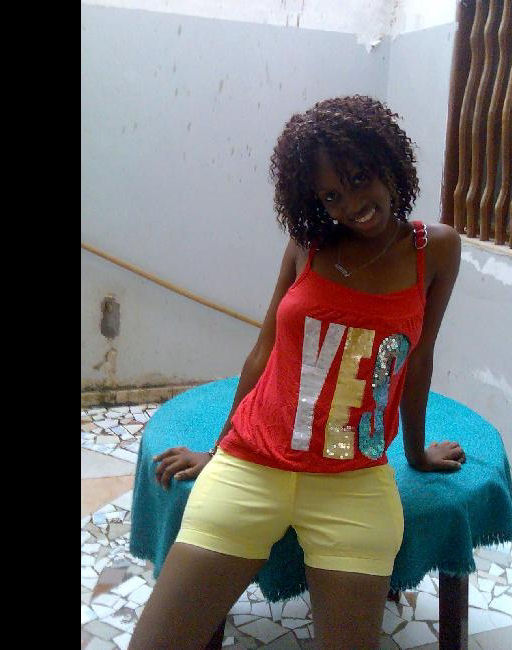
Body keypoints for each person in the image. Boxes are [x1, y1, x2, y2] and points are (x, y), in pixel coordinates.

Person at [129, 95, 466, 650]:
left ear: (388, 164)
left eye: (358, 180)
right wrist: (218, 450)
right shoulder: (307, 245)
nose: (351, 205)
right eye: (331, 196)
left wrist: (416, 454)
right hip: (252, 464)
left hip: (354, 480)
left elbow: (419, 356)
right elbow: (263, 352)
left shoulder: (437, 250)